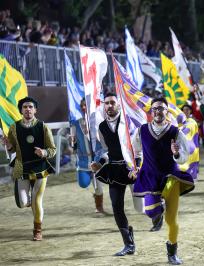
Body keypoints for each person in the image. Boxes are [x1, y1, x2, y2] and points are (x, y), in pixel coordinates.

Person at [133, 97, 195, 265]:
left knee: (171, 220)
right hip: (150, 176)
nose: (158, 111)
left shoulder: (176, 132)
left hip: (171, 177)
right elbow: (135, 150)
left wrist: (176, 153)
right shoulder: (141, 131)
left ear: (167, 111)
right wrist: (135, 164)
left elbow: (184, 158)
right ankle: (157, 212)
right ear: (151, 112)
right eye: (155, 109)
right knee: (151, 211)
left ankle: (172, 252)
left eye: (161, 108)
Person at [2, 97, 56, 241]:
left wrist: (44, 152)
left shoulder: (43, 126)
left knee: (37, 201)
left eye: (30, 107)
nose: (28, 109)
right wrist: (8, 146)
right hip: (22, 167)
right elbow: (12, 148)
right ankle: (26, 200)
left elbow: (52, 149)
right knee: (22, 203)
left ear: (35, 110)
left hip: (40, 168)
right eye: (25, 107)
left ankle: (37, 230)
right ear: (21, 110)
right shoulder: (14, 127)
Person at [90, 92, 136, 256]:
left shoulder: (129, 121)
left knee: (142, 207)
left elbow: (137, 146)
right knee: (117, 206)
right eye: (107, 103)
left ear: (118, 104)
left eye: (112, 103)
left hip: (132, 168)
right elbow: (107, 150)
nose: (109, 106)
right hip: (115, 170)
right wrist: (99, 163)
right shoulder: (101, 127)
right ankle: (128, 244)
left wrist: (138, 165)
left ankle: (158, 211)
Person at [70, 99, 104, 212]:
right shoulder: (76, 123)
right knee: (83, 183)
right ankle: (90, 177)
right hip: (83, 160)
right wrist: (72, 140)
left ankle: (99, 207)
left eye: (86, 105)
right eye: (82, 105)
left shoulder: (98, 122)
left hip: (97, 158)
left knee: (98, 187)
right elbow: (73, 142)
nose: (84, 107)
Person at [180, 104, 200, 179]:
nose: (185, 111)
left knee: (190, 165)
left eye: (187, 110)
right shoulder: (180, 122)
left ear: (190, 111)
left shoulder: (192, 122)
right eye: (184, 110)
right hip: (182, 148)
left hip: (192, 146)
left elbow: (188, 130)